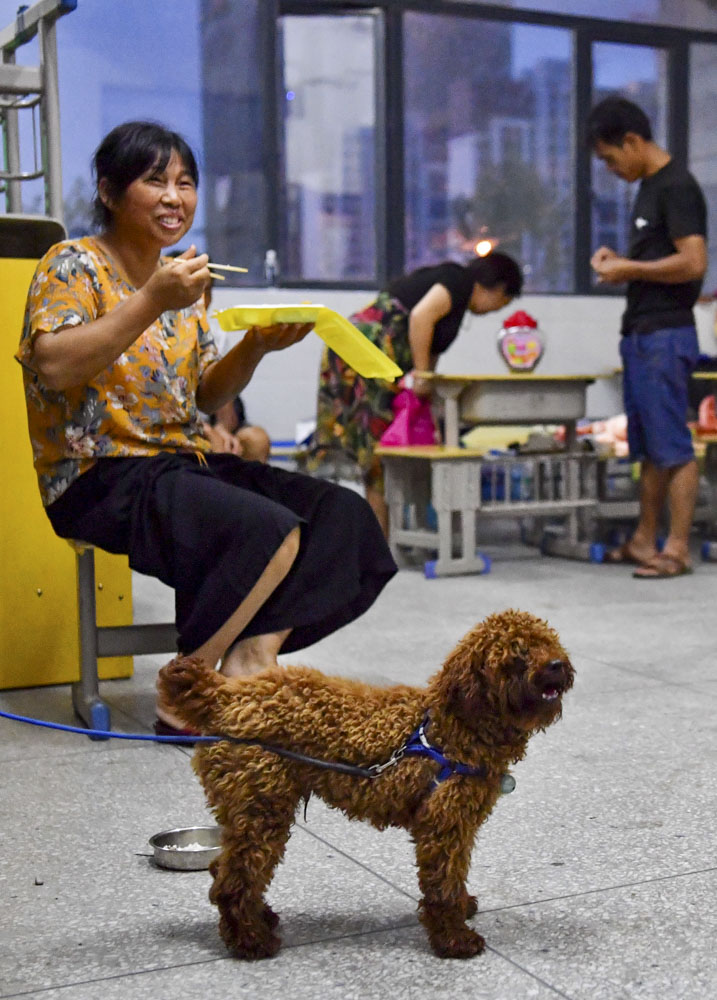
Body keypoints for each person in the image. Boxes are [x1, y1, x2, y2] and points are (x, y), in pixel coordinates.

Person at [15, 120, 397, 734]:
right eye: (155, 181)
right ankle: (186, 687)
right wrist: (151, 301)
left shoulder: (186, 286)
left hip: (179, 462)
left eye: (185, 182)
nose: (175, 197)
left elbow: (203, 394)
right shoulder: (74, 264)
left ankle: (249, 661)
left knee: (343, 518)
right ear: (111, 193)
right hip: (96, 474)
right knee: (264, 528)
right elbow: (56, 367)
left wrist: (255, 347)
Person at [312, 252, 523, 534]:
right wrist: (422, 377)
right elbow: (421, 318)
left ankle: (382, 540)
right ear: (497, 288)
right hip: (366, 351)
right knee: (376, 449)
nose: (496, 310)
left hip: (373, 356)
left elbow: (431, 353)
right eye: (502, 303)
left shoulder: (457, 306)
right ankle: (379, 545)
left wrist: (429, 397)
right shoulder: (458, 279)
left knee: (379, 450)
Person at [587, 96, 708, 579]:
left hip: (665, 335)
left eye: (610, 158)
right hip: (641, 334)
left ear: (633, 141)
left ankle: (676, 549)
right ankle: (643, 539)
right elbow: (662, 259)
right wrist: (621, 261)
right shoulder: (649, 188)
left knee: (672, 446)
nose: (611, 169)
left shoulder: (676, 186)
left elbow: (694, 262)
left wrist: (627, 268)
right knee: (648, 448)